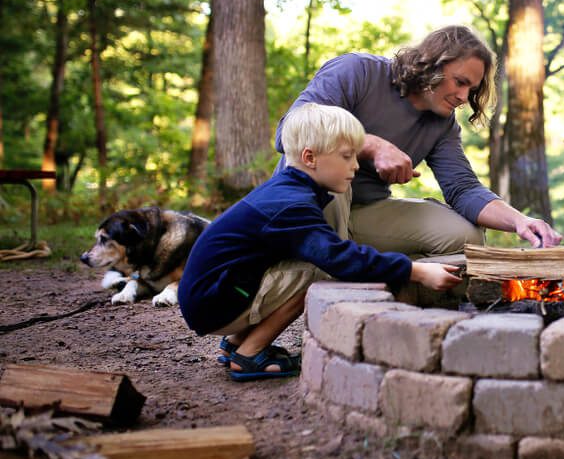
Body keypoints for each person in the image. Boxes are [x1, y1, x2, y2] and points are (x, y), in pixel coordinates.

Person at [178, 103, 462, 381]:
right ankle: (249, 354)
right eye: (347, 157)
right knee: (320, 273)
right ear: (310, 157)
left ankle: (238, 342)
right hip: (213, 303)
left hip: (214, 295)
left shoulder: (288, 190)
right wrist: (418, 271)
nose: (355, 167)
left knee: (309, 263)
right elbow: (342, 260)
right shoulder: (292, 205)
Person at [274, 25, 562, 257]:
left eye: (471, 89)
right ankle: (325, 262)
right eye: (460, 82)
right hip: (308, 206)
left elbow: (463, 189)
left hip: (365, 213)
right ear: (431, 64)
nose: (464, 97)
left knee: (465, 235)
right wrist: (372, 145)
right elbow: (290, 131)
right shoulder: (357, 71)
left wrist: (519, 222)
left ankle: (392, 275)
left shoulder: (443, 123)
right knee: (326, 169)